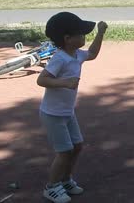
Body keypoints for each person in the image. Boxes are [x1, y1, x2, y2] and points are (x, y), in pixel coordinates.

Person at [37, 12, 107, 202]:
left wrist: (100, 33)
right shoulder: (60, 58)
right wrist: (64, 83)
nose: (85, 37)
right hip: (52, 114)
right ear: (68, 39)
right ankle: (51, 187)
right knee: (64, 150)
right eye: (81, 34)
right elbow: (41, 79)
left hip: (67, 112)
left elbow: (92, 54)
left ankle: (65, 180)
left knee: (77, 146)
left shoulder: (76, 54)